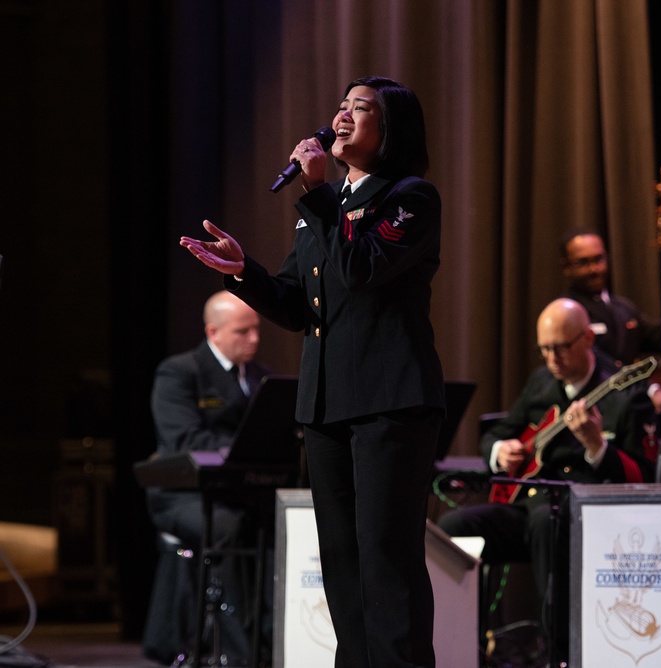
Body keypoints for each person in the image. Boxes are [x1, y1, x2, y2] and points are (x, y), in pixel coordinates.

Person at [180, 75, 444, 668]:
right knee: (342, 560)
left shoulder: (409, 197)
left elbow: (361, 269)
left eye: (361, 109)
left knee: (386, 555)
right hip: (326, 406)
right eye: (341, 106)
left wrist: (322, 194)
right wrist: (243, 271)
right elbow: (299, 304)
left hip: (389, 402)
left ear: (390, 127)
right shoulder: (324, 207)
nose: (341, 118)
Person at [436, 298, 656, 663]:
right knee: (454, 526)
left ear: (588, 338)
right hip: (528, 509)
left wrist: (597, 448)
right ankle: (463, 645)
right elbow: (497, 434)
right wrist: (500, 451)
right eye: (545, 350)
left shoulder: (624, 394)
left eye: (561, 348)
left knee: (545, 521)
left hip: (587, 519)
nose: (552, 359)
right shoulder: (541, 382)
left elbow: (643, 477)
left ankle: (558, 653)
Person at [143, 290, 269, 665]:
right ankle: (237, 648)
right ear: (213, 332)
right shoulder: (179, 373)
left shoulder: (263, 378)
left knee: (276, 523)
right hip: (182, 496)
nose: (254, 339)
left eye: (256, 329)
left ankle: (272, 634)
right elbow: (185, 440)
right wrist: (246, 449)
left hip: (241, 492)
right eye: (242, 332)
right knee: (229, 527)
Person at [560, 231, 661, 411]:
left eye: (599, 259)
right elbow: (597, 363)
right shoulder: (564, 314)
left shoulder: (623, 308)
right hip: (595, 411)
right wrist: (649, 389)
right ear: (566, 267)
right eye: (583, 262)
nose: (594, 269)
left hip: (631, 410)